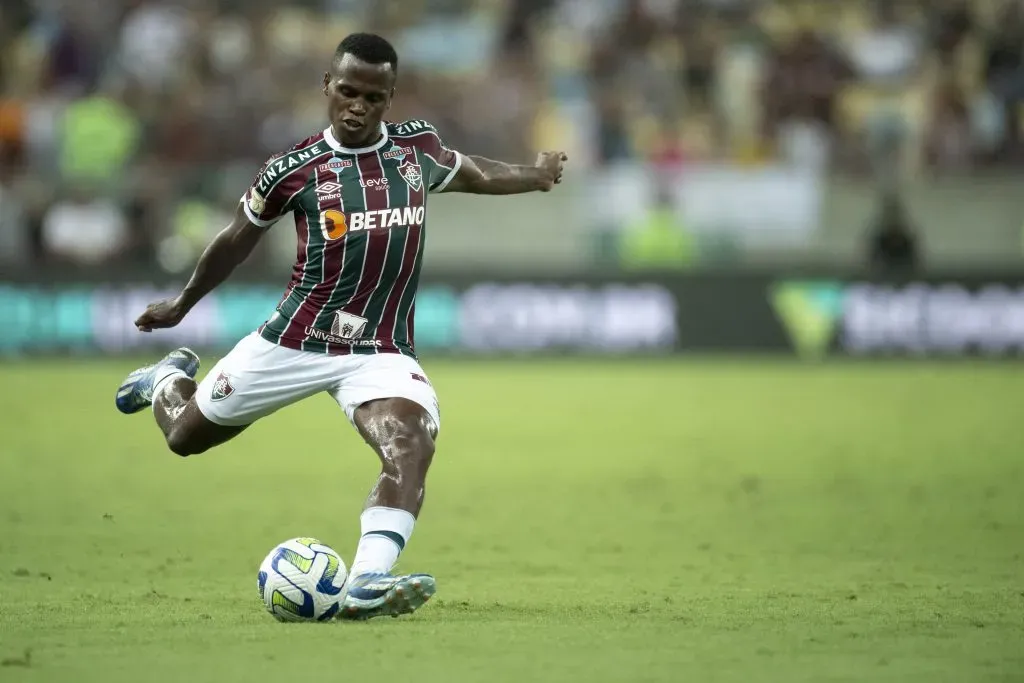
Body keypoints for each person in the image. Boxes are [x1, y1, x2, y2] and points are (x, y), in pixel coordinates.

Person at [114, 33, 567, 621]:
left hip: (379, 349)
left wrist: (534, 175)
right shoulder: (293, 170)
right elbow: (235, 241)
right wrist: (182, 304)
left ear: (390, 98)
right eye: (347, 91)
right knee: (184, 438)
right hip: (295, 340)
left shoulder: (416, 151)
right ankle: (167, 381)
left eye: (372, 97)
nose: (357, 105)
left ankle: (365, 585)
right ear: (327, 87)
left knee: (411, 444)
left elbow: (475, 171)